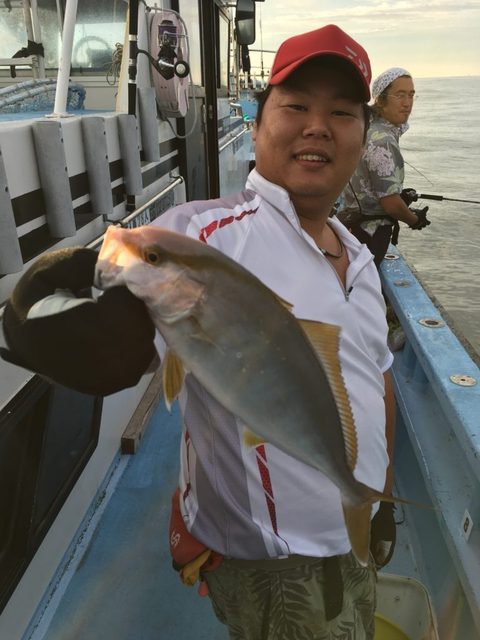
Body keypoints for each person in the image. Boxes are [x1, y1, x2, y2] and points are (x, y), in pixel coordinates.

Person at [150, 25, 396, 639]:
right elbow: (113, 346)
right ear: (256, 125)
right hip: (274, 567)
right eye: (295, 106)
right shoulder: (203, 239)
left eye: (342, 112)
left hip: (354, 532)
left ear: (363, 138)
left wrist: (378, 498)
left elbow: (378, 381)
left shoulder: (359, 260)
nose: (318, 125)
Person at [338, 67, 430, 267]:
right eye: (400, 95)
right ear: (380, 99)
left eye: (411, 95)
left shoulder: (365, 127)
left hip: (351, 227)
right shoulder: (383, 141)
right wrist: (414, 219)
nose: (407, 103)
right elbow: (390, 204)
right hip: (370, 235)